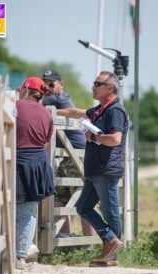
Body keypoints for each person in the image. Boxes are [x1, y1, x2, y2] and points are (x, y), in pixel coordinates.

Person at [57, 71, 129, 267]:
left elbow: (115, 139)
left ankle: (112, 256)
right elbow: (77, 112)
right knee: (83, 207)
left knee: (110, 213)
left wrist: (94, 137)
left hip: (105, 170)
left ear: (110, 88)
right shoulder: (100, 110)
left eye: (97, 84)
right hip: (95, 170)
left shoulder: (115, 110)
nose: (93, 87)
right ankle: (111, 242)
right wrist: (50, 111)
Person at [41, 69, 95, 237]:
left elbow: (36, 103)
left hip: (76, 154)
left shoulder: (59, 98)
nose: (47, 88)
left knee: (80, 199)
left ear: (61, 85)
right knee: (60, 198)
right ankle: (66, 236)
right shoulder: (54, 99)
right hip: (65, 155)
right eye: (44, 85)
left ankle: (87, 242)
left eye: (51, 84)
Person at [16, 77, 56, 269]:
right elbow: (45, 143)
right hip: (38, 163)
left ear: (25, 90)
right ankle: (20, 257)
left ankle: (6, 255)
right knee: (28, 212)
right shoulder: (47, 114)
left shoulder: (14, 106)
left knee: (7, 209)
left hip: (17, 161)